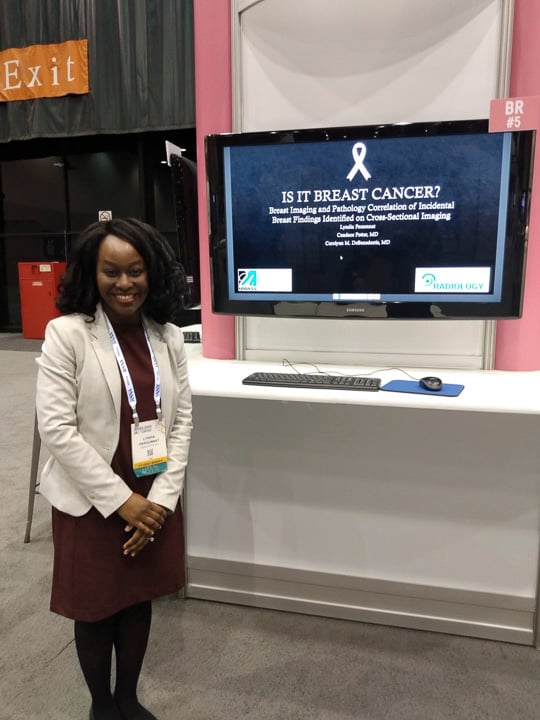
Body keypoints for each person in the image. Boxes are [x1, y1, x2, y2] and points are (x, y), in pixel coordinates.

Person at [35, 218, 193, 720]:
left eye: (135, 271)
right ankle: (101, 706)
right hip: (93, 499)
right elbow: (57, 428)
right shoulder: (67, 334)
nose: (125, 283)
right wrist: (123, 502)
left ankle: (128, 696)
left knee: (137, 598)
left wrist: (159, 503)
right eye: (111, 271)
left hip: (152, 492)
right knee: (95, 608)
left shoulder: (167, 336)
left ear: (152, 273)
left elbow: (182, 422)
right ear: (93, 273)